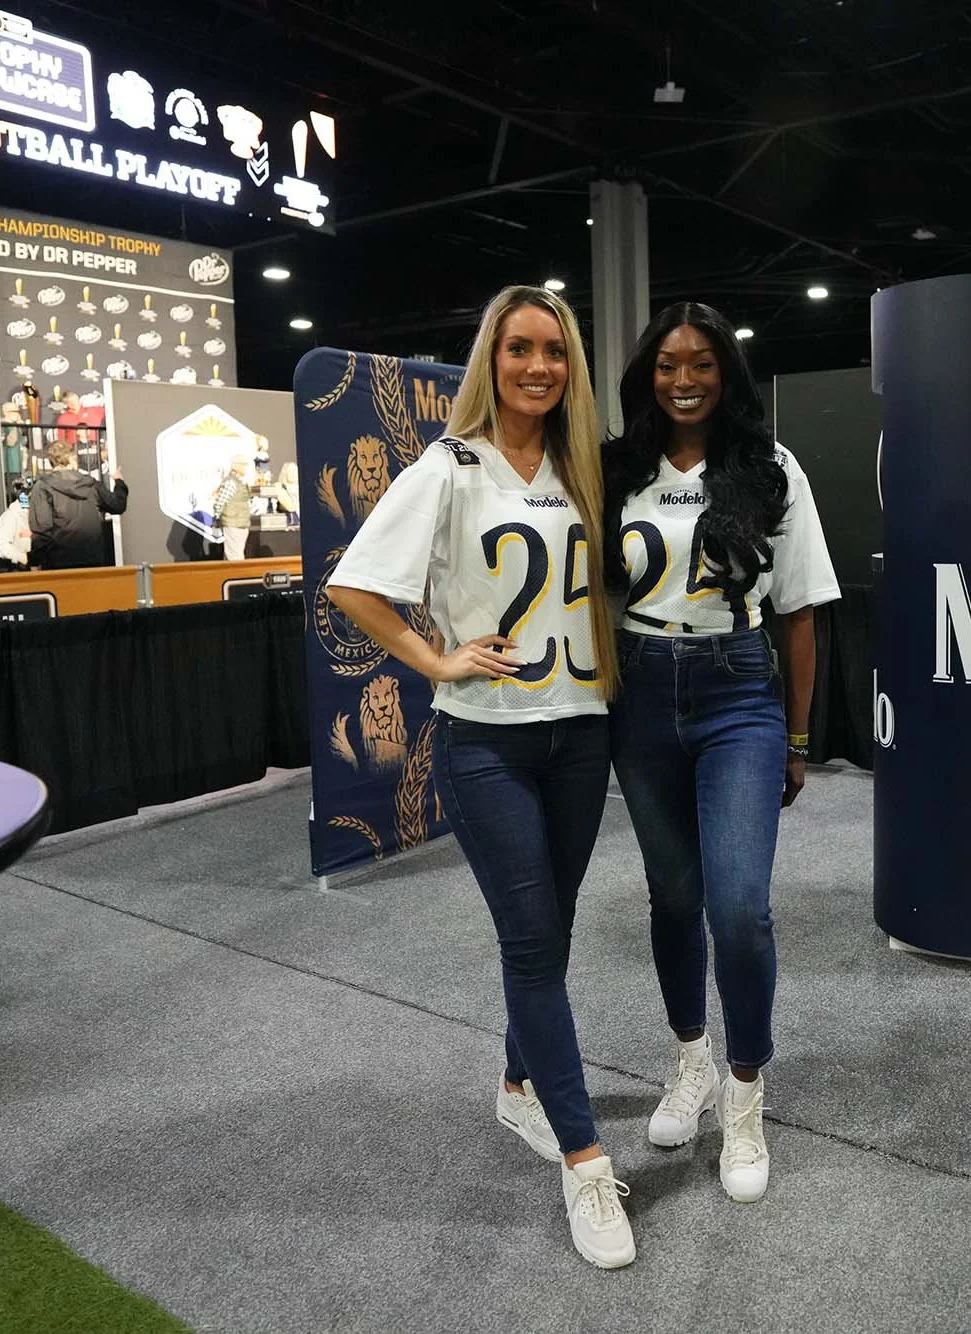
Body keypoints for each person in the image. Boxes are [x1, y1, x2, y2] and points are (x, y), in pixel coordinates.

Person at [322, 286, 631, 1268]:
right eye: (519, 348)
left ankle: (516, 1086)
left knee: (552, 930)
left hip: (581, 738)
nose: (538, 366)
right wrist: (436, 660)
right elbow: (353, 584)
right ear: (490, 360)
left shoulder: (584, 472)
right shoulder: (449, 466)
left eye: (555, 351)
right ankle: (585, 1161)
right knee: (532, 945)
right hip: (488, 744)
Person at [602, 303, 841, 1207]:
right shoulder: (619, 469)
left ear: (726, 374)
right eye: (668, 365)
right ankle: (690, 1062)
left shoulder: (771, 468)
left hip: (739, 689)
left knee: (738, 907)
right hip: (640, 691)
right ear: (647, 376)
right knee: (672, 896)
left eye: (701, 363)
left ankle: (745, 1093)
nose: (684, 380)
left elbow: (801, 611)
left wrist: (798, 737)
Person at [27, 441, 127, 569]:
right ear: (72, 459)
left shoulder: (43, 487)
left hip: (58, 561)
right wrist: (119, 483)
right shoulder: (91, 484)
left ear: (51, 462)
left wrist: (35, 561)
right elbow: (117, 505)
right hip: (92, 559)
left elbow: (42, 529)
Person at [211, 454, 256, 560]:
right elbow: (219, 502)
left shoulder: (242, 482)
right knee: (235, 556)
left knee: (233, 554)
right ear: (236, 466)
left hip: (242, 523)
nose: (246, 467)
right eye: (244, 465)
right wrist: (217, 518)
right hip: (232, 523)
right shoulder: (230, 482)